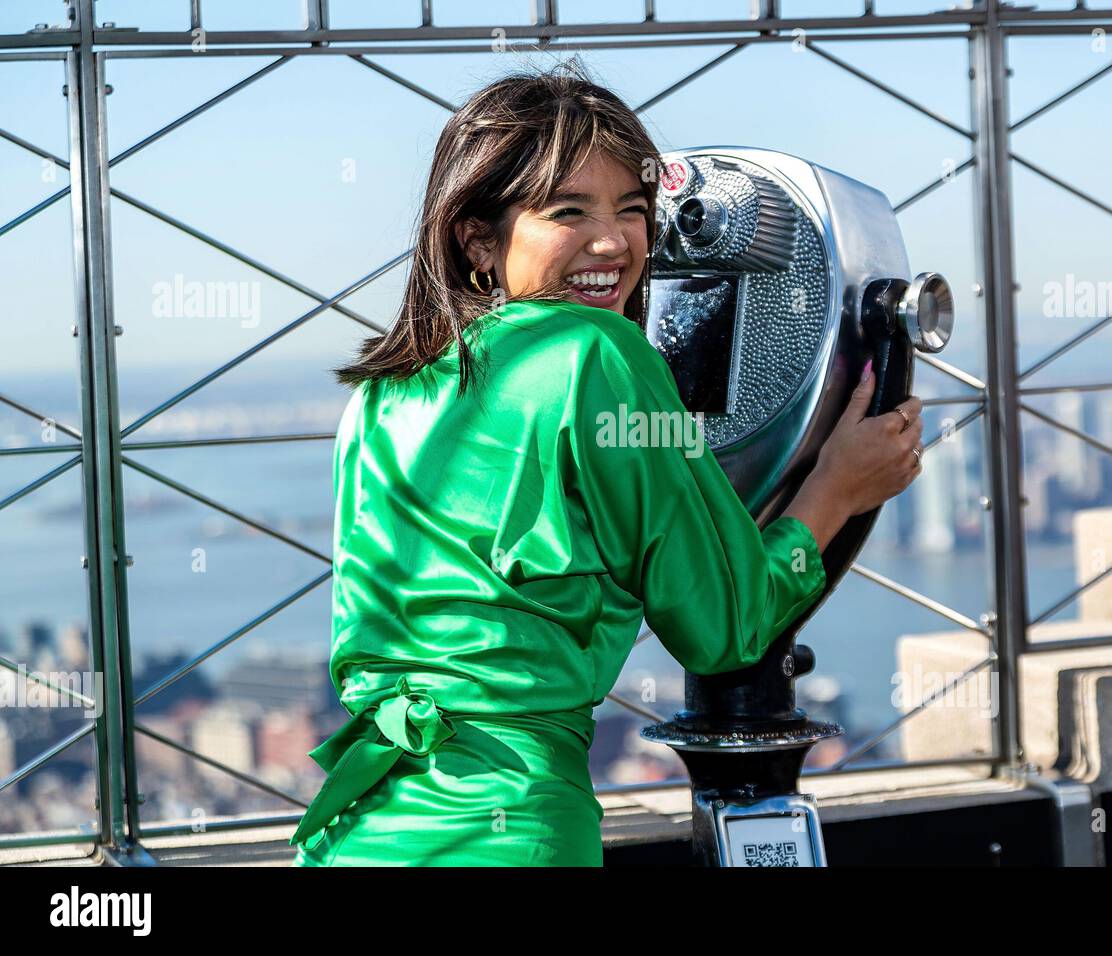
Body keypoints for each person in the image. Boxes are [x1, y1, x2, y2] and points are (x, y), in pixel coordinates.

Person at [289, 60, 924, 867]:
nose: (614, 242)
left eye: (632, 209)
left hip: (362, 825)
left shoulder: (382, 394)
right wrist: (838, 489)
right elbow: (725, 630)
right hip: (509, 828)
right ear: (477, 237)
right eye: (568, 212)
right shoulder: (597, 351)